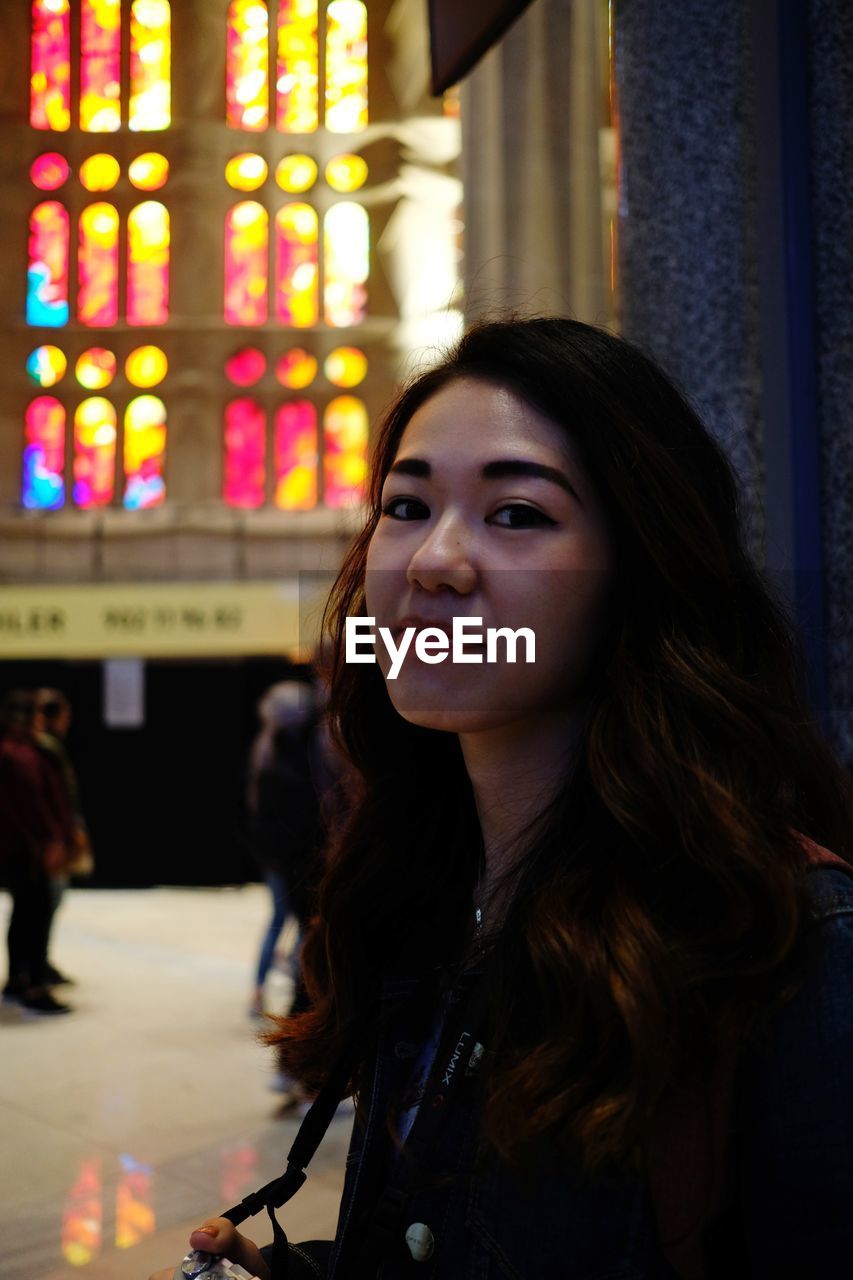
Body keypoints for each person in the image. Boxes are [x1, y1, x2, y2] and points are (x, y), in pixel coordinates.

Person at [151, 317, 853, 1280]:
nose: (434, 560)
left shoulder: (784, 941)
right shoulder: (422, 902)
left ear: (638, 575)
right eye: (405, 506)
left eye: (516, 514)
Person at [246, 679, 326, 1023]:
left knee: (283, 922)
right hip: (293, 854)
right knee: (299, 924)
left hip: (276, 853)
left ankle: (259, 990)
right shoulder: (298, 751)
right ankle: (287, 987)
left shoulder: (266, 747)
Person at [0, 689, 74, 1014]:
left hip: (18, 848)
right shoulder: (23, 755)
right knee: (35, 912)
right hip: (30, 850)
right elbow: (33, 804)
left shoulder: (14, 751)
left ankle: (19, 977)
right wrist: (51, 841)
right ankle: (33, 984)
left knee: (24, 913)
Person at [34, 687, 94, 986]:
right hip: (49, 838)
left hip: (53, 835)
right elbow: (52, 798)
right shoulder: (43, 748)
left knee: (48, 903)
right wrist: (63, 834)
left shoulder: (47, 747)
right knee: (43, 903)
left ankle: (38, 964)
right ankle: (34, 969)